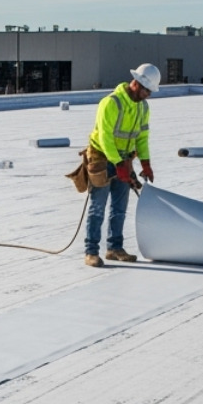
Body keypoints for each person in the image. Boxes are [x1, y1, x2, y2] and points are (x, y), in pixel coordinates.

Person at [80, 63, 159, 267]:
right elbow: (106, 138)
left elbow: (142, 137)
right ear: (136, 83)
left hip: (124, 158)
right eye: (147, 90)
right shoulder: (111, 103)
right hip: (101, 157)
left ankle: (114, 248)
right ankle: (91, 252)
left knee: (119, 208)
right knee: (98, 207)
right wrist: (118, 164)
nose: (148, 95)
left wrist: (146, 163)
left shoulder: (143, 107)